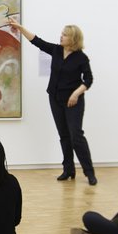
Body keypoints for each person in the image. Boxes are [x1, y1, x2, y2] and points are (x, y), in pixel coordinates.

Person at [6, 17, 97, 185]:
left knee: (76, 135)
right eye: (62, 34)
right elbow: (36, 41)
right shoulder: (56, 50)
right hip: (55, 98)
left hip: (73, 102)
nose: (60, 36)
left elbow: (89, 80)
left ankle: (89, 172)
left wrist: (76, 94)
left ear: (73, 39)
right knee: (64, 135)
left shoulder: (81, 58)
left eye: (64, 35)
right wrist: (19, 27)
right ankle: (68, 170)